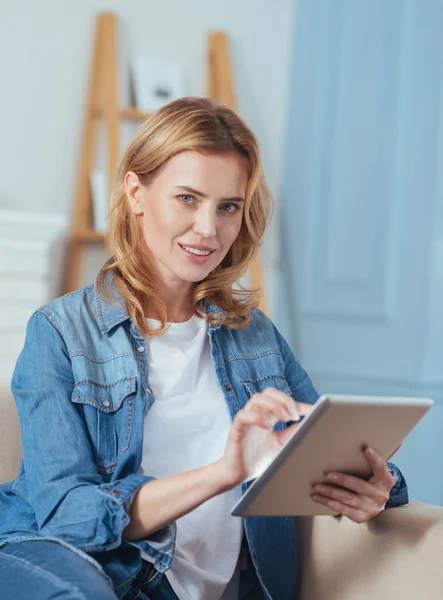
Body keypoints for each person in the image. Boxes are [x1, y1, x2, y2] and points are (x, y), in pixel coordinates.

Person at [0, 97, 408, 600]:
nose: (208, 230)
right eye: (187, 199)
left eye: (228, 207)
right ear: (136, 192)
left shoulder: (255, 336)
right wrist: (223, 473)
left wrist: (374, 485)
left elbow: (317, 451)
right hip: (84, 569)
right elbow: (68, 518)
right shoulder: (61, 332)